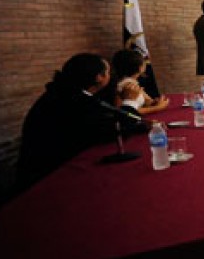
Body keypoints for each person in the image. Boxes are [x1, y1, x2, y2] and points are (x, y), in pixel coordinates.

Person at [17, 53, 137, 190]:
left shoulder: (66, 93)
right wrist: (129, 101)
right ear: (99, 77)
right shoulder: (72, 101)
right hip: (48, 178)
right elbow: (114, 131)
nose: (111, 76)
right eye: (108, 72)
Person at [110, 49, 169, 115]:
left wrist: (155, 102)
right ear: (140, 67)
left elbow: (148, 101)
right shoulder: (127, 85)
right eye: (144, 61)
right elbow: (130, 111)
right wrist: (158, 107)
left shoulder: (132, 82)